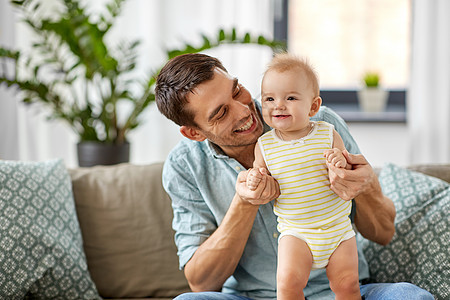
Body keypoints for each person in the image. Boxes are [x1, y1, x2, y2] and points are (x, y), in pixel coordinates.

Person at [154, 53, 433, 300]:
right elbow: (201, 282)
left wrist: (366, 185)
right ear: (194, 132)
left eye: (236, 90)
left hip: (344, 291)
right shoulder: (184, 166)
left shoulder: (320, 125)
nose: (244, 111)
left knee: (410, 296)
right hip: (250, 296)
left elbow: (384, 234)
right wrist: (244, 203)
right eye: (221, 113)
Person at [246, 53, 359, 299]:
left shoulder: (327, 132)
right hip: (296, 231)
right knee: (287, 285)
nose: (278, 105)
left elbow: (346, 168)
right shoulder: (264, 145)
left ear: (313, 106)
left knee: (347, 285)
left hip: (337, 229)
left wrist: (340, 162)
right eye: (269, 98)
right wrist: (256, 179)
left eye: (291, 98)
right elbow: (260, 174)